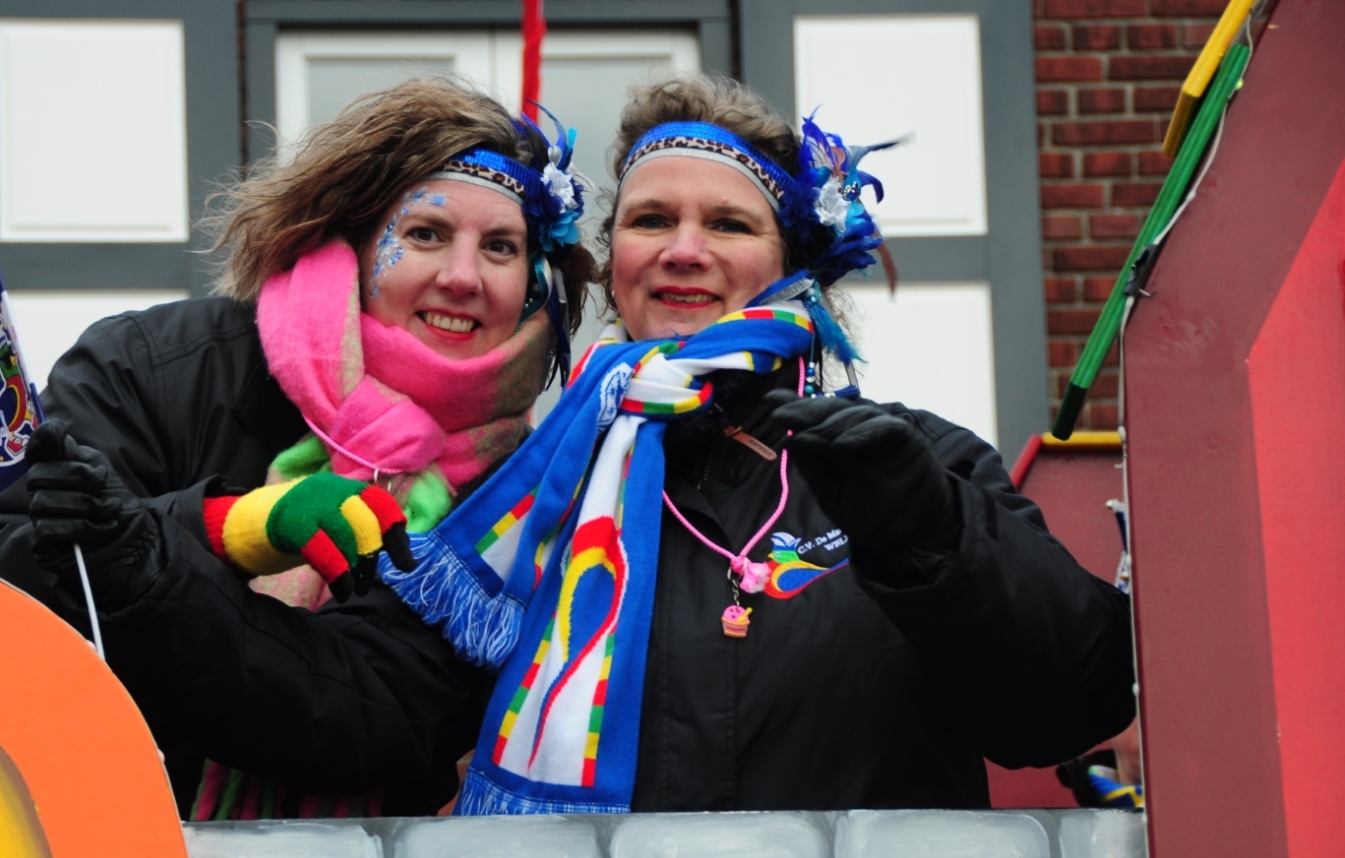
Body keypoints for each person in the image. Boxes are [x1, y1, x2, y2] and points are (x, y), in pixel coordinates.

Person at [382, 73, 1136, 814]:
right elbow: (382, 720)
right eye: (651, 220)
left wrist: (929, 535)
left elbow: (1069, 707)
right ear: (615, 263)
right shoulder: (531, 490)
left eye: (729, 225)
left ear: (793, 265)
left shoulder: (923, 462)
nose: (684, 250)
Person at [0, 78, 593, 817]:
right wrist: (214, 526)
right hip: (80, 848)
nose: (462, 277)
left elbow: (370, 718)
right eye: (425, 234)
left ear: (534, 284)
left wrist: (152, 559)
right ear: (354, 241)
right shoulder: (154, 366)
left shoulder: (522, 489)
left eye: (501, 247)